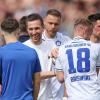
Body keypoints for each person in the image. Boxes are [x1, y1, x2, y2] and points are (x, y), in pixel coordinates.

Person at [55, 18, 100, 100]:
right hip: (93, 96)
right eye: (90, 34)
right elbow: (96, 73)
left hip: (74, 97)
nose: (90, 37)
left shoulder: (61, 49)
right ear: (84, 31)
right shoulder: (96, 47)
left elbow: (60, 78)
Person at [0, 17, 41, 100]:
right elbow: (37, 81)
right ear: (18, 31)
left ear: (1, 33)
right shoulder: (32, 52)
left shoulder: (1, 52)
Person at [23, 13, 56, 100]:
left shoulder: (52, 45)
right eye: (31, 29)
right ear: (27, 30)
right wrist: (56, 73)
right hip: (30, 97)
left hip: (49, 97)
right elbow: (32, 76)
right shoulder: (23, 49)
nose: (34, 32)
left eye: (37, 28)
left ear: (43, 28)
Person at [43, 9, 71, 100]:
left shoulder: (66, 41)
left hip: (60, 93)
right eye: (50, 23)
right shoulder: (37, 41)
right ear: (44, 21)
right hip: (42, 92)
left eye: (56, 24)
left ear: (60, 23)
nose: (53, 26)